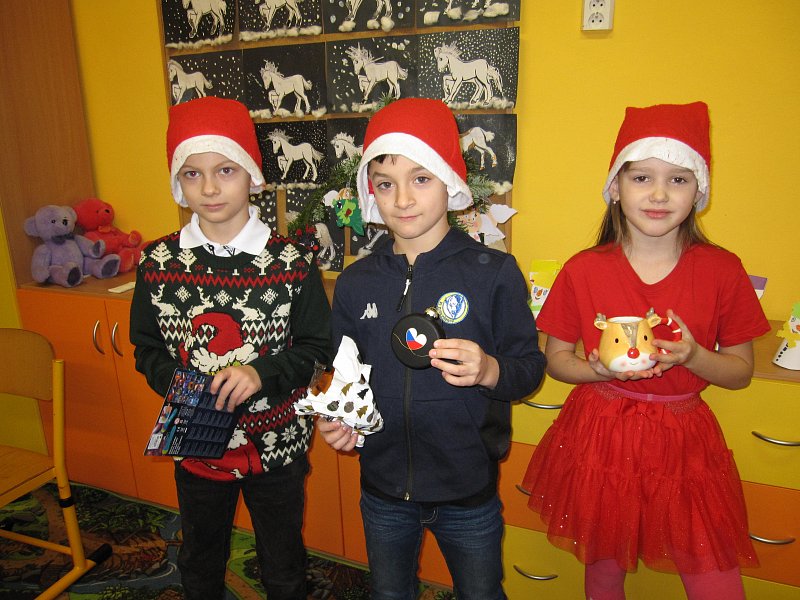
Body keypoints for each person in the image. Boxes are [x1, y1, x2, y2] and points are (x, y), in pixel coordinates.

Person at [521, 101, 770, 600]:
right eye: (641, 178)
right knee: (604, 562)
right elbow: (556, 359)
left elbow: (741, 371)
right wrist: (597, 371)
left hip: (683, 439)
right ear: (615, 187)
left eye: (678, 179)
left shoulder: (722, 270)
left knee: (711, 569)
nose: (659, 194)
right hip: (600, 433)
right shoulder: (584, 269)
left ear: (699, 191)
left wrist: (694, 356)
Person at [317, 97, 546, 600]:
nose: (402, 199)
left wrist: (488, 370)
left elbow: (529, 368)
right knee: (388, 592)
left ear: (450, 182)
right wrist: (341, 419)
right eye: (385, 183)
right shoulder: (356, 282)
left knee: (480, 593)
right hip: (382, 487)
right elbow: (347, 375)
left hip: (467, 488)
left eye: (420, 178)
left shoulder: (492, 272)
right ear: (370, 192)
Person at [130, 96, 332, 600]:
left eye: (225, 170)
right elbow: (146, 347)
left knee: (282, 561)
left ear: (251, 175)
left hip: (277, 445)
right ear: (178, 182)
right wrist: (179, 384)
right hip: (196, 440)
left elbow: (316, 348)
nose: (210, 188)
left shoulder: (292, 262)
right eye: (192, 174)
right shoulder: (157, 262)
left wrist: (262, 373)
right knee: (200, 557)